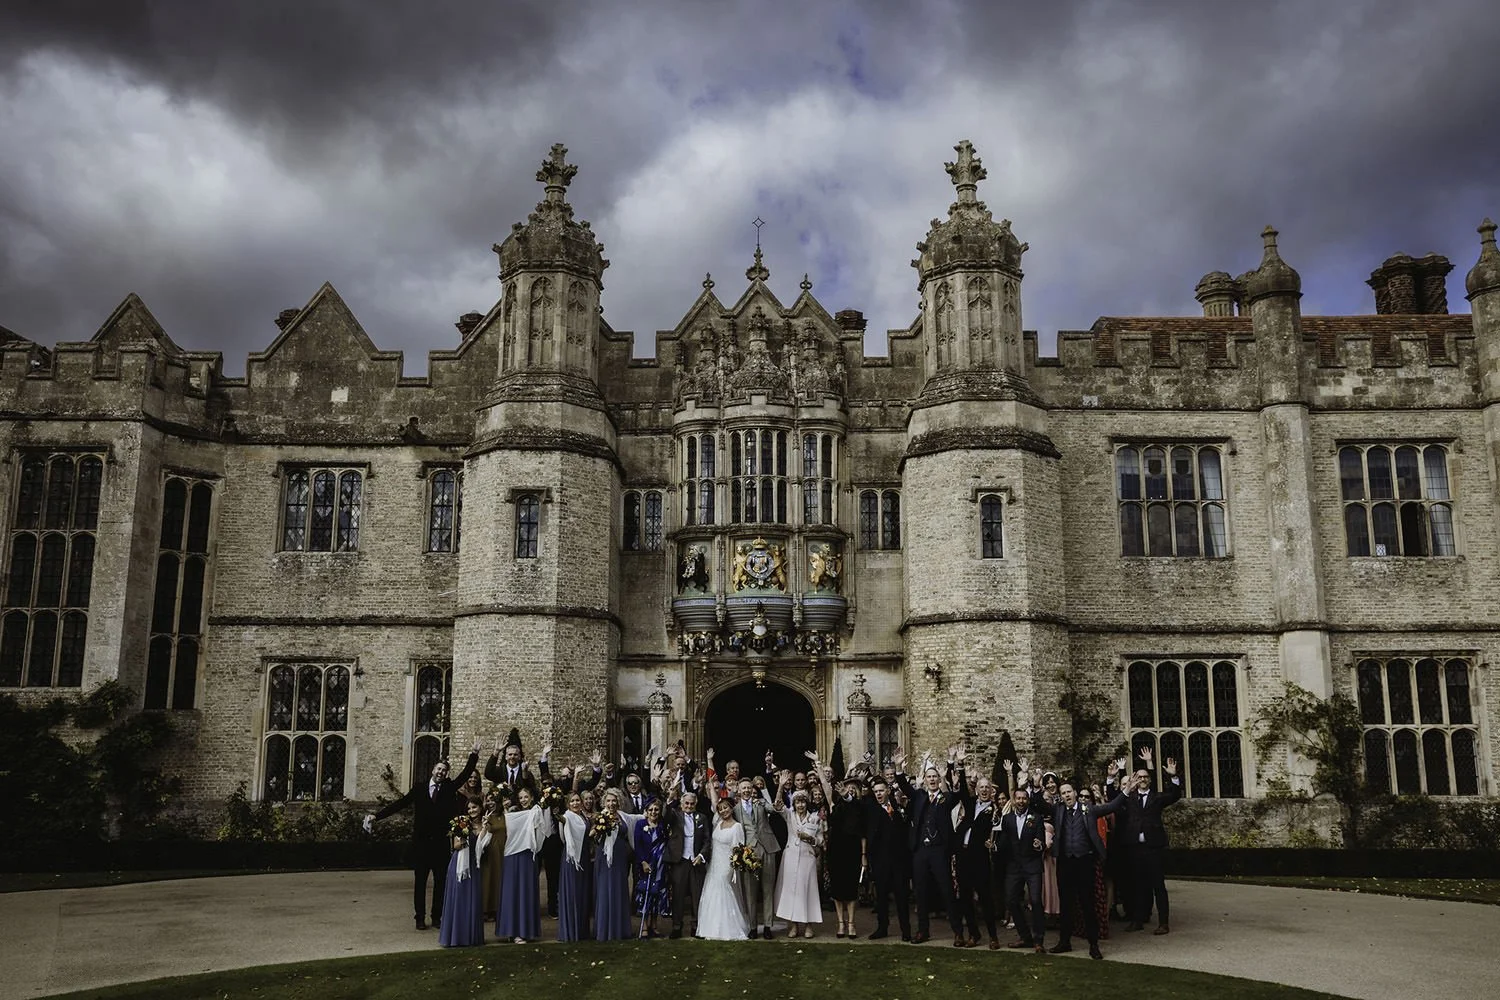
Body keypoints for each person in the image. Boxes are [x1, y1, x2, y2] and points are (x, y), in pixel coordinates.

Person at [366, 742, 480, 931]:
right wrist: (376, 816)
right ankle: (419, 917)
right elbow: (400, 804)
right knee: (420, 883)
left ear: (446, 774)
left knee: (440, 883)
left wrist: (474, 754)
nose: (441, 772)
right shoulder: (419, 788)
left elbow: (465, 774)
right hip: (421, 845)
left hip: (440, 845)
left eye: (444, 770)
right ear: (433, 770)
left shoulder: (449, 788)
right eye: (439, 769)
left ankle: (436, 917)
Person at [1107, 749, 1182, 934]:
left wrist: (1173, 776)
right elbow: (1112, 797)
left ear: (1149, 780)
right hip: (1134, 848)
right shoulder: (1129, 798)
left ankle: (1163, 923)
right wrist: (1111, 777)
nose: (1142, 779)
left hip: (1153, 847)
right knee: (1137, 885)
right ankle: (1137, 920)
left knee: (1158, 886)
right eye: (1139, 777)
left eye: (1145, 777)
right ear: (1135, 779)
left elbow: (1175, 795)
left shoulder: (1157, 798)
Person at [1050, 779, 1127, 959]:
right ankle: (1064, 942)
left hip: (1084, 862)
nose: (1067, 795)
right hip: (1065, 863)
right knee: (1066, 905)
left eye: (1069, 792)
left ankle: (1093, 945)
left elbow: (1112, 806)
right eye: (1063, 793)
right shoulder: (1059, 810)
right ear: (1060, 797)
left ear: (1075, 793)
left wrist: (1126, 792)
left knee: (1088, 905)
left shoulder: (1089, 810)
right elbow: (1039, 804)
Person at [894, 748, 963, 945]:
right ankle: (922, 931)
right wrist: (898, 767)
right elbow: (903, 785)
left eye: (935, 777)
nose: (932, 779)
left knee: (947, 890)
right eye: (929, 777)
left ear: (939, 780)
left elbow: (957, 793)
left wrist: (951, 762)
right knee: (921, 891)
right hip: (921, 851)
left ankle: (958, 932)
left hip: (939, 850)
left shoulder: (946, 798)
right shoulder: (919, 796)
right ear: (924, 780)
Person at [498, 785, 554, 944]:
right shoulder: (513, 812)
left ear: (531, 798)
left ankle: (524, 931)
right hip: (511, 854)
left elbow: (543, 830)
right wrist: (505, 809)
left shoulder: (536, 811)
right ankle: (511, 930)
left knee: (525, 892)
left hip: (528, 855)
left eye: (526, 797)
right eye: (521, 797)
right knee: (512, 892)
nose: (523, 800)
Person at [997, 786, 1049, 953]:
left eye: (1024, 798)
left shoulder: (1036, 818)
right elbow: (1004, 842)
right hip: (1014, 866)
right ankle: (1025, 937)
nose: (1021, 801)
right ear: (1014, 800)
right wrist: (994, 846)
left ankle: (1039, 940)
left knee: (1035, 901)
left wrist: (1039, 845)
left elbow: (1041, 841)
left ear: (1028, 800)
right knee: (1011, 900)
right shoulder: (1007, 819)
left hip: (1032, 865)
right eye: (1018, 798)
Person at [862, 776, 912, 941]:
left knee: (901, 897)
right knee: (881, 897)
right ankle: (882, 928)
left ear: (888, 791)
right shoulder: (871, 809)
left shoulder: (897, 807)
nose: (878, 794)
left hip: (899, 861)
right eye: (876, 791)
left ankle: (906, 930)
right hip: (880, 861)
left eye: (881, 791)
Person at [955, 772, 1001, 948]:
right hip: (963, 856)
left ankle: (993, 936)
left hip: (979, 857)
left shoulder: (994, 810)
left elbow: (997, 831)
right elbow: (963, 792)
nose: (984, 790)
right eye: (981, 787)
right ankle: (974, 934)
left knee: (985, 898)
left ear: (991, 791)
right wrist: (960, 768)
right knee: (965, 898)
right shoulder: (970, 803)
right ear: (977, 789)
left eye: (987, 787)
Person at [731, 776, 782, 939]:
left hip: (767, 847)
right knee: (750, 891)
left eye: (749, 788)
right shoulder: (735, 809)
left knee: (768, 888)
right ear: (739, 791)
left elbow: (774, 809)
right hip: (748, 852)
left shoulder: (760, 803)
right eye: (743, 788)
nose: (746, 790)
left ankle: (767, 926)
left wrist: (780, 787)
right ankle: (752, 926)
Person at [695, 796, 750, 940]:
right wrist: (711, 788)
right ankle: (710, 927)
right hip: (714, 863)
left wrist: (733, 867)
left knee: (723, 890)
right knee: (711, 892)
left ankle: (728, 927)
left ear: (731, 808)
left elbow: (738, 848)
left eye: (725, 807)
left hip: (727, 864)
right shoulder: (718, 823)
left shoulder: (737, 827)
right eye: (720, 809)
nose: (723, 811)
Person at [772, 787, 824, 938]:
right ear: (794, 804)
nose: (800, 805)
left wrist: (810, 838)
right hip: (790, 857)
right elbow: (777, 805)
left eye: (803, 802)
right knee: (791, 892)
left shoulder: (814, 818)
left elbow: (820, 840)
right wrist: (780, 786)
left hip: (807, 858)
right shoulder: (789, 815)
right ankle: (793, 925)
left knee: (808, 891)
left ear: (807, 803)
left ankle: (808, 925)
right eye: (797, 802)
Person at [438, 798, 489, 947]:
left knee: (473, 899)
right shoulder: (462, 823)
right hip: (459, 865)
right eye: (469, 808)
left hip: (474, 864)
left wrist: (484, 828)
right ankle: (455, 937)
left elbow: (483, 845)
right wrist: (463, 835)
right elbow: (456, 845)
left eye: (474, 807)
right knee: (459, 898)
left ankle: (471, 937)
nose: (472, 810)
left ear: (480, 808)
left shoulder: (485, 825)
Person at [594, 789, 643, 940]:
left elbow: (638, 818)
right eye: (608, 801)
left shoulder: (623, 816)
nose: (611, 803)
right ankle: (605, 929)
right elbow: (593, 836)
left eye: (614, 800)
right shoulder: (600, 816)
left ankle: (621, 929)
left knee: (620, 889)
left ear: (619, 802)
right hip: (605, 857)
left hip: (620, 857)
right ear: (604, 802)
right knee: (605, 889)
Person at [663, 789, 710, 939]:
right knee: (678, 895)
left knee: (697, 895)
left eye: (692, 804)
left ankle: (696, 926)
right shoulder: (675, 815)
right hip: (679, 860)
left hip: (696, 861)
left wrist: (701, 855)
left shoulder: (702, 818)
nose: (689, 806)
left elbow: (707, 840)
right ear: (682, 804)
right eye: (686, 803)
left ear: (696, 804)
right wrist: (670, 800)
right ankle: (677, 926)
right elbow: (666, 817)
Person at [823, 771, 865, 939]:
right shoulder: (836, 805)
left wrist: (864, 855)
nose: (850, 790)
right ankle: (841, 922)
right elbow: (826, 789)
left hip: (852, 851)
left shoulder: (859, 806)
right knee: (838, 889)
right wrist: (819, 767)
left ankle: (851, 923)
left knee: (851, 889)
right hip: (836, 851)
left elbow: (862, 832)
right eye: (848, 788)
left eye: (853, 788)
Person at [633, 800, 671, 938]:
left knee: (657, 894)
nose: (653, 812)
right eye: (650, 810)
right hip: (646, 864)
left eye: (656, 809)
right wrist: (643, 862)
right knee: (645, 893)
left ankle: (653, 926)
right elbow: (637, 845)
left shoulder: (662, 825)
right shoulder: (640, 824)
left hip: (660, 865)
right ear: (646, 811)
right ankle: (643, 926)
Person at [556, 792, 590, 941]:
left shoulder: (584, 817)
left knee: (583, 892)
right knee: (572, 892)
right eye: (572, 801)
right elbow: (562, 823)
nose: (575, 803)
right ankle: (570, 931)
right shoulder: (567, 816)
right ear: (568, 804)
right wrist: (557, 815)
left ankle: (582, 930)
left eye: (577, 800)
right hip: (571, 857)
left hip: (584, 857)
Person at [478, 789, 508, 921]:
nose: (490, 803)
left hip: (503, 849)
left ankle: (497, 908)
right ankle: (485, 909)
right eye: (488, 800)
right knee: (488, 878)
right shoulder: (486, 816)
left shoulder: (505, 814)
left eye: (493, 800)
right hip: (490, 850)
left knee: (499, 878)